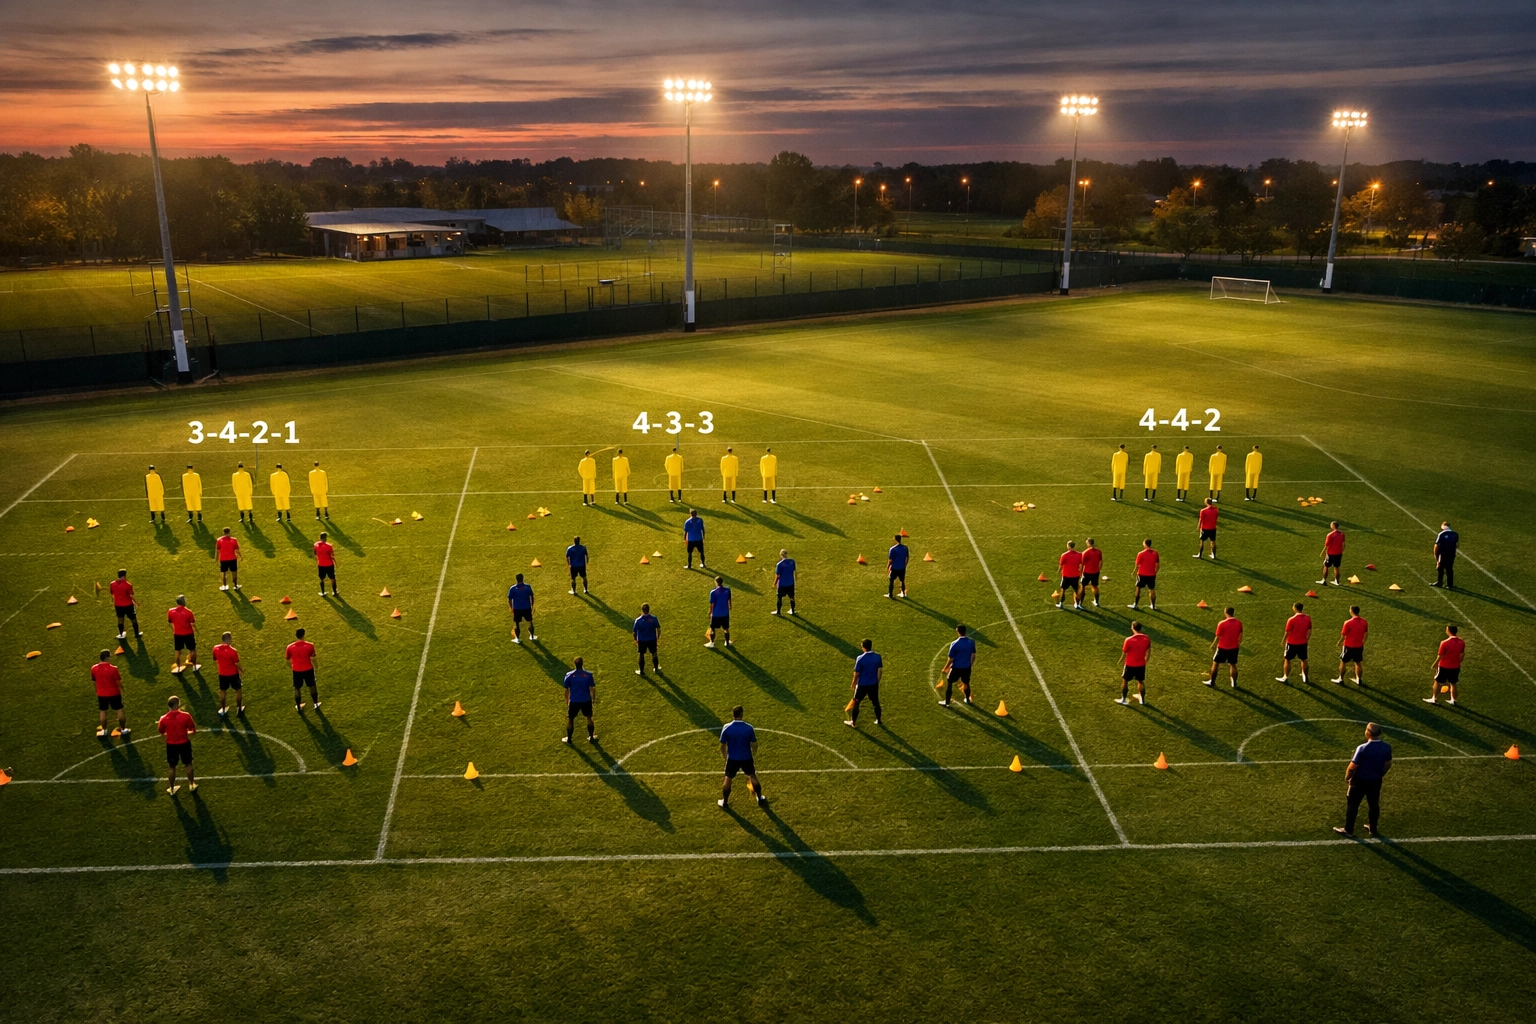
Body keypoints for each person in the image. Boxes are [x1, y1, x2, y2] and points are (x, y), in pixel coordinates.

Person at [1334, 722, 1391, 837]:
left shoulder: (1362, 748)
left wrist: (1348, 778)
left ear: (1368, 733)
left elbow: (1352, 767)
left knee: (1353, 804)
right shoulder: (1386, 747)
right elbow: (1387, 764)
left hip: (1359, 781)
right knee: (1374, 804)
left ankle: (1348, 830)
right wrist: (1380, 774)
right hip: (1375, 781)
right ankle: (1373, 829)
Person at [718, 705, 765, 808]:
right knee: (752, 776)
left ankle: (725, 802)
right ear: (742, 714)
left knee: (728, 779)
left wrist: (726, 757)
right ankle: (760, 797)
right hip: (746, 757)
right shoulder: (749, 728)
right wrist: (753, 753)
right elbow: (754, 744)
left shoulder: (727, 728)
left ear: (733, 714)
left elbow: (722, 746)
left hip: (733, 758)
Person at [158, 694, 197, 795]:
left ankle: (171, 789)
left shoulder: (163, 718)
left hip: (171, 745)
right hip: (184, 743)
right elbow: (193, 729)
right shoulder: (185, 716)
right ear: (177, 704)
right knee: (188, 764)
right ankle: (191, 785)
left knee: (172, 766)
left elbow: (161, 731)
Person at [91, 649, 129, 738]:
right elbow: (118, 682)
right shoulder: (113, 669)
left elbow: (94, 681)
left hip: (101, 694)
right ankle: (123, 729)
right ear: (107, 657)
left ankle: (104, 731)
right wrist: (122, 690)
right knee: (119, 710)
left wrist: (97, 690)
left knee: (103, 711)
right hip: (114, 693)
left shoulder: (94, 668)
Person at [845, 639, 883, 727]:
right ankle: (879, 720)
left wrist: (853, 683)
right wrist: (877, 681)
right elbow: (880, 670)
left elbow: (856, 673)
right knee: (875, 702)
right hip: (873, 684)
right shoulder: (877, 656)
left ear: (863, 647)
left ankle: (853, 722)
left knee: (857, 702)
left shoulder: (860, 658)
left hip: (862, 685)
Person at [1425, 624, 1466, 706]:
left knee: (1437, 682)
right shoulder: (1461, 642)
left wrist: (1434, 665)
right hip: (1455, 667)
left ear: (1448, 631)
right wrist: (1457, 663)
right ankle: (1453, 700)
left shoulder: (1444, 643)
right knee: (1453, 683)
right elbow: (1462, 654)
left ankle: (1434, 699)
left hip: (1444, 666)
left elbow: (1440, 656)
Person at [1203, 606, 1242, 688]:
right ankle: (1234, 682)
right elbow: (1240, 636)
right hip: (1234, 648)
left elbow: (1217, 636)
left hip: (1222, 648)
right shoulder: (1239, 623)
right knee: (1233, 664)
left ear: (1225, 612)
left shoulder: (1222, 623)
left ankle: (1212, 682)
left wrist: (1213, 645)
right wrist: (1237, 644)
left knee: (1215, 663)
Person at [940, 624, 976, 707]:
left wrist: (945, 668)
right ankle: (967, 699)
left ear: (957, 631)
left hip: (956, 668)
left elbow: (951, 659)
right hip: (966, 668)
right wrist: (969, 665)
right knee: (966, 683)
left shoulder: (954, 644)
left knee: (949, 682)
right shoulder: (971, 642)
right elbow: (973, 655)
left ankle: (947, 702)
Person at [562, 657, 596, 743]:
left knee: (570, 719)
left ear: (575, 664)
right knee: (589, 718)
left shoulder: (569, 675)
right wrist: (593, 699)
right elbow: (592, 688)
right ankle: (591, 737)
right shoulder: (588, 675)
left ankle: (569, 739)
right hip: (586, 700)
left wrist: (567, 700)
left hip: (574, 700)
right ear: (582, 664)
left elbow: (566, 690)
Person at [1332, 606, 1368, 686]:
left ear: (1351, 611)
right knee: (1358, 663)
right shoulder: (1364, 622)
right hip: (1359, 646)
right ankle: (1358, 680)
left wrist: (1339, 642)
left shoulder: (1348, 622)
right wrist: (1363, 642)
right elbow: (1366, 633)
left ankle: (1340, 679)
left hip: (1348, 646)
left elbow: (1343, 635)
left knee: (1343, 662)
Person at [1277, 602, 1312, 684]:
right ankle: (1305, 677)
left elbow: (1287, 632)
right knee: (1304, 660)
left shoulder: (1291, 619)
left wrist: (1283, 640)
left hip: (1291, 643)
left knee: (1287, 660)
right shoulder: (1308, 618)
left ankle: (1285, 677)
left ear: (1295, 608)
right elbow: (1310, 631)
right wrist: (1306, 639)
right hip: (1303, 643)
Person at [1118, 621, 1151, 705]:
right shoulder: (1146, 638)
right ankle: (1142, 700)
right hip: (1141, 664)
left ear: (1133, 628)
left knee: (1125, 681)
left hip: (1129, 664)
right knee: (1140, 681)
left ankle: (1123, 699)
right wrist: (1145, 661)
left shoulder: (1128, 640)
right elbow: (1148, 651)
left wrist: (1120, 661)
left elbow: (1124, 652)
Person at [286, 628, 319, 711]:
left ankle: (298, 706)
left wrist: (292, 667)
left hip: (296, 670)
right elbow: (313, 657)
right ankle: (315, 704)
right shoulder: (310, 645)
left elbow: (287, 659)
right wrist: (316, 667)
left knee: (297, 688)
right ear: (303, 635)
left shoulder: (290, 647)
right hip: (308, 669)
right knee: (312, 685)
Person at [212, 631, 244, 717]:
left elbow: (215, 659)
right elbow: (236, 664)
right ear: (229, 639)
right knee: (238, 690)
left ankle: (222, 709)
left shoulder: (215, 648)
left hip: (222, 674)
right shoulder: (233, 651)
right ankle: (239, 709)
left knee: (223, 691)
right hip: (233, 674)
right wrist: (241, 670)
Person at [167, 595, 198, 675]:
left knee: (178, 651)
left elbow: (170, 623)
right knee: (192, 650)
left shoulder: (170, 611)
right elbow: (192, 624)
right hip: (188, 634)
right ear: (183, 602)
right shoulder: (189, 612)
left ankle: (178, 667)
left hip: (177, 634)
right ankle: (194, 666)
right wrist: (196, 630)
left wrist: (174, 630)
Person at [110, 569, 142, 639]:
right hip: (128, 605)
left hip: (118, 605)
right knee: (133, 619)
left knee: (120, 619)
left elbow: (112, 594)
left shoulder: (112, 584)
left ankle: (121, 634)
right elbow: (131, 596)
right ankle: (137, 634)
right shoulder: (128, 585)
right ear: (124, 575)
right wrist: (136, 603)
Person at [1129, 538, 1159, 611]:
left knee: (1138, 588)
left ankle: (1135, 605)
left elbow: (1137, 565)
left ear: (1145, 544)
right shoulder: (1155, 553)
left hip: (1142, 574)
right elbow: (1157, 565)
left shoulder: (1141, 554)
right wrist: (1154, 573)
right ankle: (1153, 605)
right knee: (1151, 590)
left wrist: (1134, 572)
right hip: (1151, 575)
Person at [507, 573, 536, 643]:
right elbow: (531, 596)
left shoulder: (513, 588)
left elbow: (510, 599)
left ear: (516, 579)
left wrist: (511, 607)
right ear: (523, 578)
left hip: (517, 608)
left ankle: (518, 639)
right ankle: (532, 636)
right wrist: (532, 605)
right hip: (527, 607)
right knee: (530, 622)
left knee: (517, 624)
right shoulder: (528, 587)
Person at [633, 603, 661, 675]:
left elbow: (634, 632)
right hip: (652, 639)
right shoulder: (654, 619)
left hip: (642, 640)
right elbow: (658, 629)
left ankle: (641, 671)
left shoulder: (638, 620)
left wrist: (636, 640)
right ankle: (656, 669)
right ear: (649, 610)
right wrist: (657, 638)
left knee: (641, 655)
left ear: (642, 610)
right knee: (654, 653)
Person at [706, 576, 732, 648]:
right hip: (725, 613)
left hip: (716, 614)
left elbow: (712, 604)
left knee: (713, 629)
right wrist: (729, 607)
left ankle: (712, 643)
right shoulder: (727, 590)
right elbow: (729, 600)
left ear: (716, 582)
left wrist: (710, 612)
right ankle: (727, 642)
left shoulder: (713, 592)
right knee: (726, 629)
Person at [1057, 541, 1083, 610]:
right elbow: (1081, 566)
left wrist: (1058, 571)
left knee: (1063, 590)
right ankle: (1077, 604)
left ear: (1068, 546)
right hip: (1075, 575)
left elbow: (1061, 565)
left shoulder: (1064, 555)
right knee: (1076, 590)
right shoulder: (1079, 554)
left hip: (1066, 576)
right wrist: (1080, 574)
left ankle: (1061, 604)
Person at [1431, 521, 1458, 589]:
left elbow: (1436, 546)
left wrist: (1436, 556)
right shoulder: (1455, 534)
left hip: (1443, 554)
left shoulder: (1441, 534)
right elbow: (1457, 545)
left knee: (1440, 568)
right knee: (1449, 568)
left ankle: (1440, 582)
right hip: (1452, 554)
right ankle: (1450, 585)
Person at [1319, 522, 1346, 586]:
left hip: (1330, 553)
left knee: (1326, 566)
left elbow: (1327, 546)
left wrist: (1326, 555)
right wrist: (1341, 551)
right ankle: (1337, 581)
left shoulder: (1330, 535)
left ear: (1333, 526)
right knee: (1336, 567)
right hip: (1339, 553)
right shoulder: (1342, 534)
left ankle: (1324, 580)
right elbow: (1344, 544)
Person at [216, 527, 241, 591]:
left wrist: (216, 558)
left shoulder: (219, 540)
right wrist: (240, 556)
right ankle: (235, 585)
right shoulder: (233, 540)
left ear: (223, 532)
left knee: (223, 572)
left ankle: (224, 586)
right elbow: (237, 550)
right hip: (232, 558)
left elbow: (218, 550)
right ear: (229, 532)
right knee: (234, 572)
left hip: (223, 559)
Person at [1081, 538, 1104, 608]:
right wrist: (1098, 569)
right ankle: (1096, 602)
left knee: (1083, 587)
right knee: (1095, 587)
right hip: (1096, 572)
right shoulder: (1099, 551)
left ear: (1088, 543)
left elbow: (1082, 564)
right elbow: (1101, 561)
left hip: (1087, 572)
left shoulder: (1085, 552)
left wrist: (1081, 573)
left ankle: (1080, 603)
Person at [315, 531, 339, 597]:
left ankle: (322, 592)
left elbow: (315, 553)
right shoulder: (329, 546)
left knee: (321, 578)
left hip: (320, 564)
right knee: (332, 578)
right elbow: (332, 555)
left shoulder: (316, 545)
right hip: (329, 564)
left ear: (320, 537)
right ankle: (334, 592)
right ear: (326, 538)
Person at [773, 548, 796, 615]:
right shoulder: (792, 562)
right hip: (791, 583)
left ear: (781, 555)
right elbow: (794, 571)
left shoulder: (779, 564)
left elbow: (778, 575)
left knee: (779, 598)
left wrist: (775, 583)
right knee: (792, 597)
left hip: (782, 583)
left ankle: (778, 612)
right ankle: (792, 610)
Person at [887, 533, 910, 599]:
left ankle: (890, 595)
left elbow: (890, 560)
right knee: (902, 581)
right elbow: (907, 557)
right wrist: (905, 564)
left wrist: (888, 567)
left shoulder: (893, 549)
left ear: (895, 539)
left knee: (891, 581)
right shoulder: (905, 548)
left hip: (894, 568)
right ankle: (903, 593)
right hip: (902, 568)